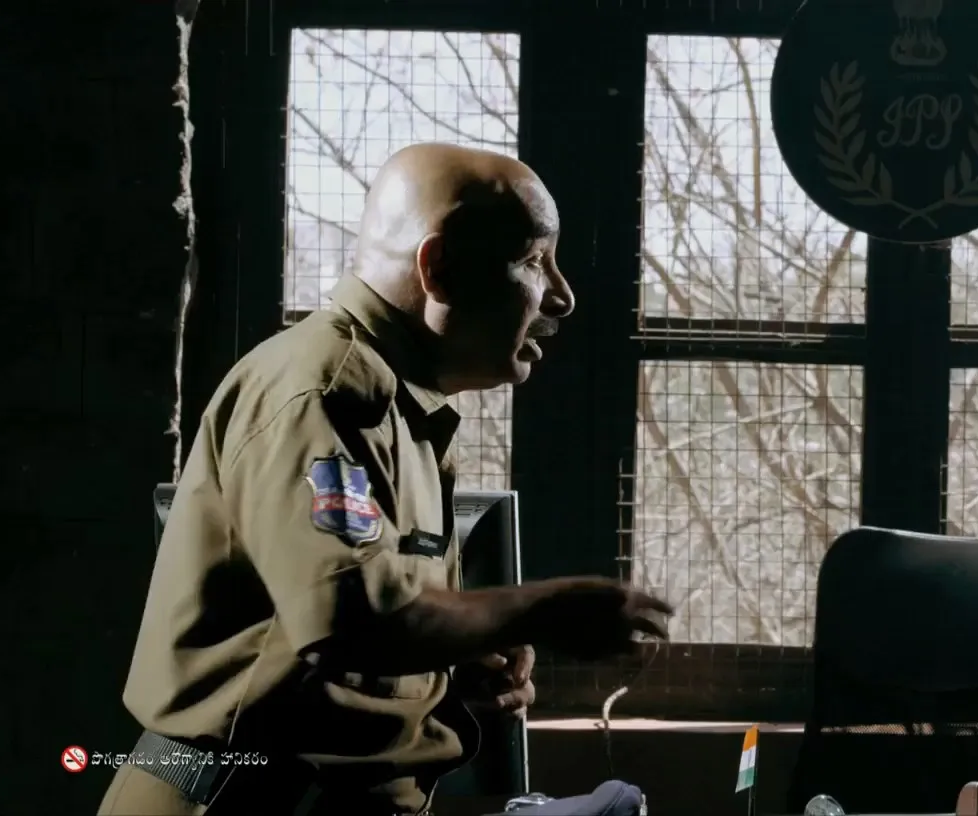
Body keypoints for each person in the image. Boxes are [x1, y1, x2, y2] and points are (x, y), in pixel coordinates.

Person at [100, 143, 674, 816]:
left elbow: (328, 639)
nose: (563, 295)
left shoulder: (402, 407)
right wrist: (548, 609)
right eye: (532, 259)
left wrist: (450, 667)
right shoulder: (323, 393)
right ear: (439, 269)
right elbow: (350, 620)